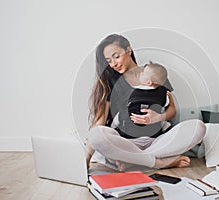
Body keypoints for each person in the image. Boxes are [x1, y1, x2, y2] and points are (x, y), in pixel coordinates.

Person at [86, 33, 206, 171]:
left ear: (128, 50)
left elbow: (171, 110)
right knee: (97, 135)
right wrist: (86, 158)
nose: (113, 64)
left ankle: (134, 161)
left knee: (199, 127)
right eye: (108, 60)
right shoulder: (110, 83)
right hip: (125, 143)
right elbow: (99, 122)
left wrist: (159, 117)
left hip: (156, 141)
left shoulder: (155, 72)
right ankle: (157, 163)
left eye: (116, 56)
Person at [111, 62, 171, 139]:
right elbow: (166, 104)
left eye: (143, 74)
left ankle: (113, 126)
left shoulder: (132, 91)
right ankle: (165, 127)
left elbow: (123, 104)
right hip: (154, 133)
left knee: (121, 113)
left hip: (131, 132)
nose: (141, 73)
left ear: (148, 82)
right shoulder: (163, 92)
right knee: (161, 111)